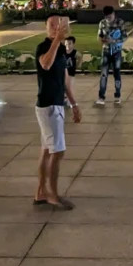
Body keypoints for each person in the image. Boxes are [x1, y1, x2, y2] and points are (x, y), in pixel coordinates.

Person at [35, 15, 81, 209]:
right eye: (52, 25)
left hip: (57, 104)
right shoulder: (44, 47)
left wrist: (74, 105)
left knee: (47, 150)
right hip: (48, 105)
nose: (57, 28)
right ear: (47, 28)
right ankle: (52, 194)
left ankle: (40, 192)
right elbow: (45, 64)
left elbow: (65, 81)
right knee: (58, 151)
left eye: (60, 24)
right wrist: (55, 40)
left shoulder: (62, 50)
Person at [96, 5, 126, 105]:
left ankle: (117, 95)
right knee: (103, 75)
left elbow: (125, 37)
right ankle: (101, 97)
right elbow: (99, 36)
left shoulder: (120, 22)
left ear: (113, 14)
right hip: (106, 51)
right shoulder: (102, 23)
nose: (108, 19)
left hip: (116, 51)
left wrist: (114, 40)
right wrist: (102, 40)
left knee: (117, 74)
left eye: (110, 17)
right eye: (106, 17)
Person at [63, 35, 78, 108]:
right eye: (66, 44)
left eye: (69, 43)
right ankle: (64, 100)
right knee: (63, 87)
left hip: (71, 73)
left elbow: (80, 56)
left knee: (70, 87)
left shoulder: (74, 52)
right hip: (64, 73)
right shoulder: (63, 52)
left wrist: (79, 64)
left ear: (73, 44)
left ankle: (70, 102)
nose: (68, 45)